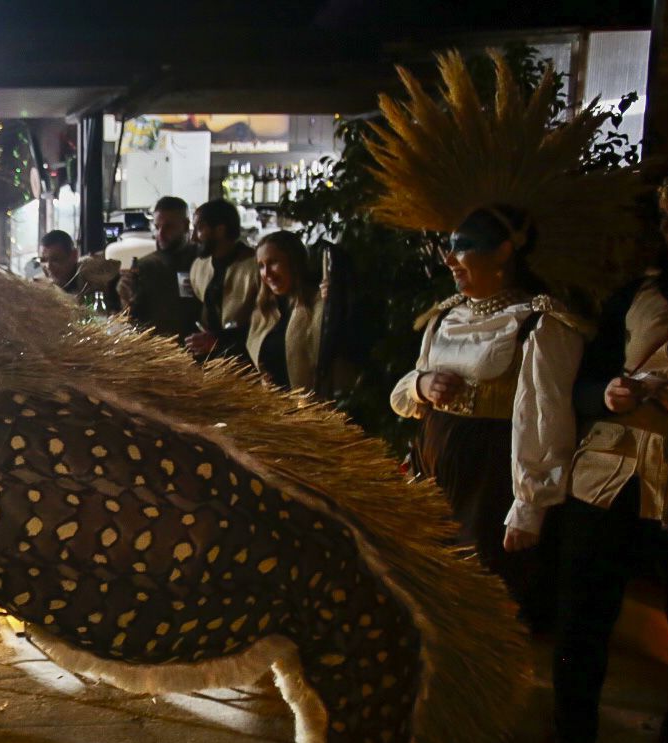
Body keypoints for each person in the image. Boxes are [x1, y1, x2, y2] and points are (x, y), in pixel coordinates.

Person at [370, 52, 626, 617]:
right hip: (439, 463)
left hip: (493, 479)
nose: (452, 261)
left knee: (485, 605)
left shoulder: (541, 322)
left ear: (505, 251)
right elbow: (404, 396)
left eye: (463, 248)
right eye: (448, 248)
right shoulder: (444, 314)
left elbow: (545, 416)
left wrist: (528, 506)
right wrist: (421, 384)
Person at [532, 169, 668, 743]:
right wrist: (608, 394)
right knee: (580, 628)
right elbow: (580, 386)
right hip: (610, 481)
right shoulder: (633, 298)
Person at [246, 230, 353, 397]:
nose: (266, 273)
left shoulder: (319, 304)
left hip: (316, 411)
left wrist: (333, 302)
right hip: (275, 410)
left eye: (273, 262)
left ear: (293, 262)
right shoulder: (264, 312)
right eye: (261, 266)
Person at [185, 199, 258, 362]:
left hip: (245, 361)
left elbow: (264, 323)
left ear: (220, 230)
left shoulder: (255, 266)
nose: (194, 238)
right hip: (209, 360)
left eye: (200, 228)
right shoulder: (199, 266)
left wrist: (220, 339)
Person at [117, 196, 198, 340]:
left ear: (185, 226)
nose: (160, 234)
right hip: (157, 351)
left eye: (169, 227)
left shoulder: (202, 261)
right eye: (157, 227)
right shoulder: (145, 266)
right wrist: (124, 298)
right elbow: (132, 317)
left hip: (199, 350)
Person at [38, 229, 118, 313]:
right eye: (43, 260)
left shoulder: (96, 277)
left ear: (74, 255)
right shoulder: (40, 287)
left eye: (56, 259)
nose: (48, 266)